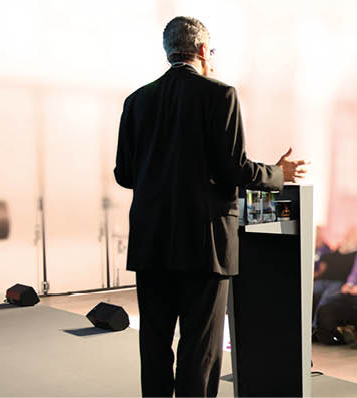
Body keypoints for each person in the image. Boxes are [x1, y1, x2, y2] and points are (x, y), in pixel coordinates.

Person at [114, 16, 307, 397]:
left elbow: (124, 174)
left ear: (169, 51)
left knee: (153, 344)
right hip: (205, 244)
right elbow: (233, 168)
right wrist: (277, 173)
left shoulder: (136, 101)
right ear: (203, 50)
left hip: (150, 241)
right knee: (199, 346)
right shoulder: (220, 95)